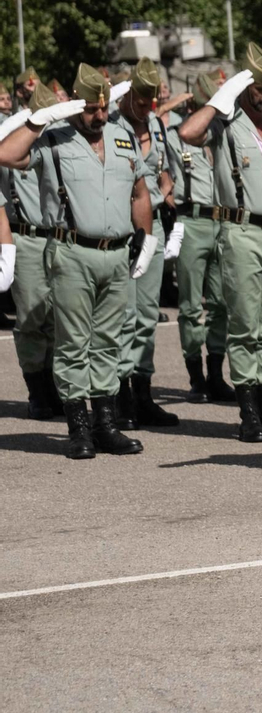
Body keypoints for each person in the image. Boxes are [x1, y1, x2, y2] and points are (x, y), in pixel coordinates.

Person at [0, 65, 155, 459]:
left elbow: (139, 192)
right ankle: (78, 427)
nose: (98, 117)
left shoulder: (121, 136)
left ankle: (106, 424)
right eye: (89, 109)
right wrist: (39, 119)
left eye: (102, 109)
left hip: (117, 253)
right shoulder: (54, 138)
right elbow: (6, 153)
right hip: (71, 252)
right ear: (74, 103)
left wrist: (146, 237)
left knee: (109, 340)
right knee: (72, 342)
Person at [177, 43, 262, 443]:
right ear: (246, 88)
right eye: (261, 90)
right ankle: (249, 411)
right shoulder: (227, 124)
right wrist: (218, 100)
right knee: (245, 325)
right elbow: (188, 132)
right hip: (241, 230)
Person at [106, 59, 180, 429]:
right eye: (142, 98)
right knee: (125, 314)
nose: (149, 105)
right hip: (123, 228)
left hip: (153, 228)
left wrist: (167, 195)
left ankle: (143, 393)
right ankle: (120, 397)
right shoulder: (109, 124)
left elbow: (160, 168)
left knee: (147, 314)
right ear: (128, 93)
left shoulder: (154, 123)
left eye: (152, 99)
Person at [165, 75, 234, 404]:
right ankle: (196, 377)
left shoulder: (225, 134)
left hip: (222, 222)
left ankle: (216, 373)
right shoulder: (174, 135)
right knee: (191, 306)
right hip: (191, 221)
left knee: (220, 303)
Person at [3, 84, 59, 419]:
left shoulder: (59, 142)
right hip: (25, 236)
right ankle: (37, 390)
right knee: (31, 319)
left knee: (57, 317)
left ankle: (54, 386)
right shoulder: (11, 142)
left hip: (58, 237)